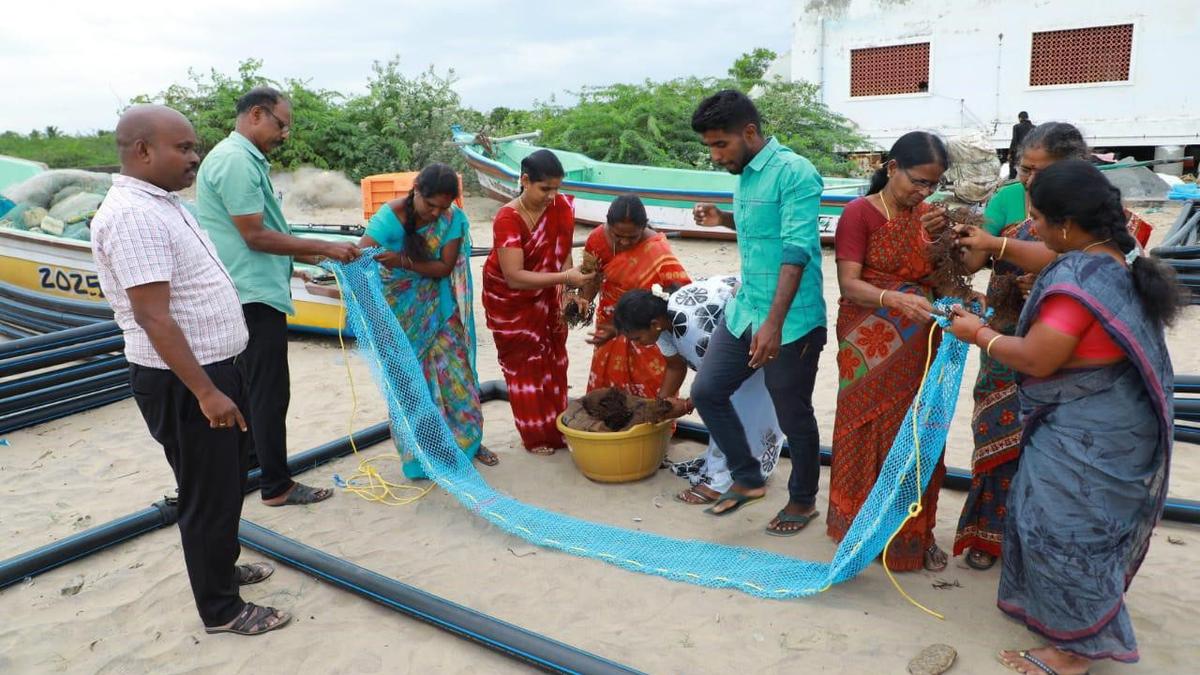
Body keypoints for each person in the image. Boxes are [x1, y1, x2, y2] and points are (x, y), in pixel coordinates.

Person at [947, 159, 1182, 675]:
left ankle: (1074, 653)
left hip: (1092, 434)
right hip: (1106, 423)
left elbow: (1037, 357)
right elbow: (1042, 257)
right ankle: (1068, 623)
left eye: (1036, 218)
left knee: (1064, 532)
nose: (1031, 226)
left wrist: (978, 334)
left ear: (1066, 226)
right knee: (1064, 525)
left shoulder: (1079, 283)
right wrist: (994, 246)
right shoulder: (1108, 257)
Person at [92, 105, 289, 635]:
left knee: (223, 484)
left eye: (194, 147)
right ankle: (222, 610)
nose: (194, 157)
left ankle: (221, 570)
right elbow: (153, 316)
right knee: (207, 494)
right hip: (187, 381)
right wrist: (205, 391)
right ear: (142, 151)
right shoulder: (133, 216)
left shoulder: (162, 204)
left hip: (212, 370)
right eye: (183, 148)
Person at [953, 122, 1153, 571]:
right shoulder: (1007, 199)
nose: (1029, 181)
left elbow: (1087, 258)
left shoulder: (1099, 230)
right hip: (1007, 332)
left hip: (1058, 349)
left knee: (1050, 458)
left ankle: (1036, 554)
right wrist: (958, 242)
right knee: (996, 437)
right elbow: (975, 258)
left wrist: (1034, 274)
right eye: (1025, 169)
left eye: (1041, 171)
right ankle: (989, 536)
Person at [196, 86, 359, 507]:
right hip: (251, 295)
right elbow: (254, 235)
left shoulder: (243, 160)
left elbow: (254, 231)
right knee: (270, 391)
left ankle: (253, 467)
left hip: (252, 287)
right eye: (280, 124)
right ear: (255, 115)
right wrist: (324, 248)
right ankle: (276, 485)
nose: (284, 134)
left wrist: (299, 263)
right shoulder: (235, 162)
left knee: (252, 388)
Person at [687, 90, 827, 536]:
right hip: (744, 309)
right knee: (708, 392)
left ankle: (803, 500)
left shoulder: (796, 173)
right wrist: (723, 219)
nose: (714, 156)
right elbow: (759, 228)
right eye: (709, 146)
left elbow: (796, 249)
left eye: (720, 145)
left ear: (749, 132)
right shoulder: (744, 174)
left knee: (793, 414)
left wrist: (774, 325)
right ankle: (748, 478)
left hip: (792, 321)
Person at [826, 131, 952, 572]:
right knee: (866, 429)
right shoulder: (859, 214)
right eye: (917, 181)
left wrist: (941, 243)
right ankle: (858, 529)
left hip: (919, 342)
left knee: (916, 434)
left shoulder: (929, 216)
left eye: (932, 185)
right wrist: (893, 299)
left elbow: (941, 276)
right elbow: (850, 284)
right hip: (868, 339)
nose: (923, 192)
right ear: (892, 167)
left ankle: (913, 536)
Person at [358, 163, 498, 478]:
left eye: (443, 207)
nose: (435, 213)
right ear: (416, 191)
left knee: (457, 381)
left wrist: (402, 261)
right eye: (430, 204)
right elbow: (361, 258)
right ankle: (421, 457)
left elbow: (443, 268)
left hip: (441, 309)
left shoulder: (452, 220)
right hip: (398, 315)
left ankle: (469, 445)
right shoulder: (389, 217)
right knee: (411, 386)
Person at [613, 281, 787, 513]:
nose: (637, 345)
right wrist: (660, 405)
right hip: (741, 331)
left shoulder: (693, 328)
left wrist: (685, 406)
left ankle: (721, 481)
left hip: (756, 339)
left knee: (734, 409)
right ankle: (744, 468)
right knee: (731, 412)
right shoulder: (662, 321)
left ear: (653, 324)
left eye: (636, 338)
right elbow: (675, 366)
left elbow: (714, 386)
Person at [482, 150, 594, 454]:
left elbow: (563, 252)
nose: (552, 195)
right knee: (524, 367)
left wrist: (568, 293)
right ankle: (535, 437)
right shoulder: (508, 218)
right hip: (510, 302)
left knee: (554, 360)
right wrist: (565, 279)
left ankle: (556, 428)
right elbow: (514, 277)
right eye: (545, 188)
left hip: (548, 295)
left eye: (556, 188)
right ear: (524, 180)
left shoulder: (560, 207)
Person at [579, 195, 690, 397]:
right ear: (608, 224)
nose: (624, 242)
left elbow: (679, 293)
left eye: (633, 237)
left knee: (649, 384)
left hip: (646, 327)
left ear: (644, 227)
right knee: (607, 387)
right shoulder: (596, 239)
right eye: (617, 236)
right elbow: (591, 277)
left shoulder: (657, 251)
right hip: (608, 319)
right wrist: (583, 301)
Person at [1007, 112, 1034, 179]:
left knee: (1013, 166)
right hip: (1031, 151)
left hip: (1019, 151)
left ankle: (1011, 179)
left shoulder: (1016, 127)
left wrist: (1010, 153)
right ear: (1027, 117)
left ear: (1020, 118)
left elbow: (1014, 140)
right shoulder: (1034, 127)